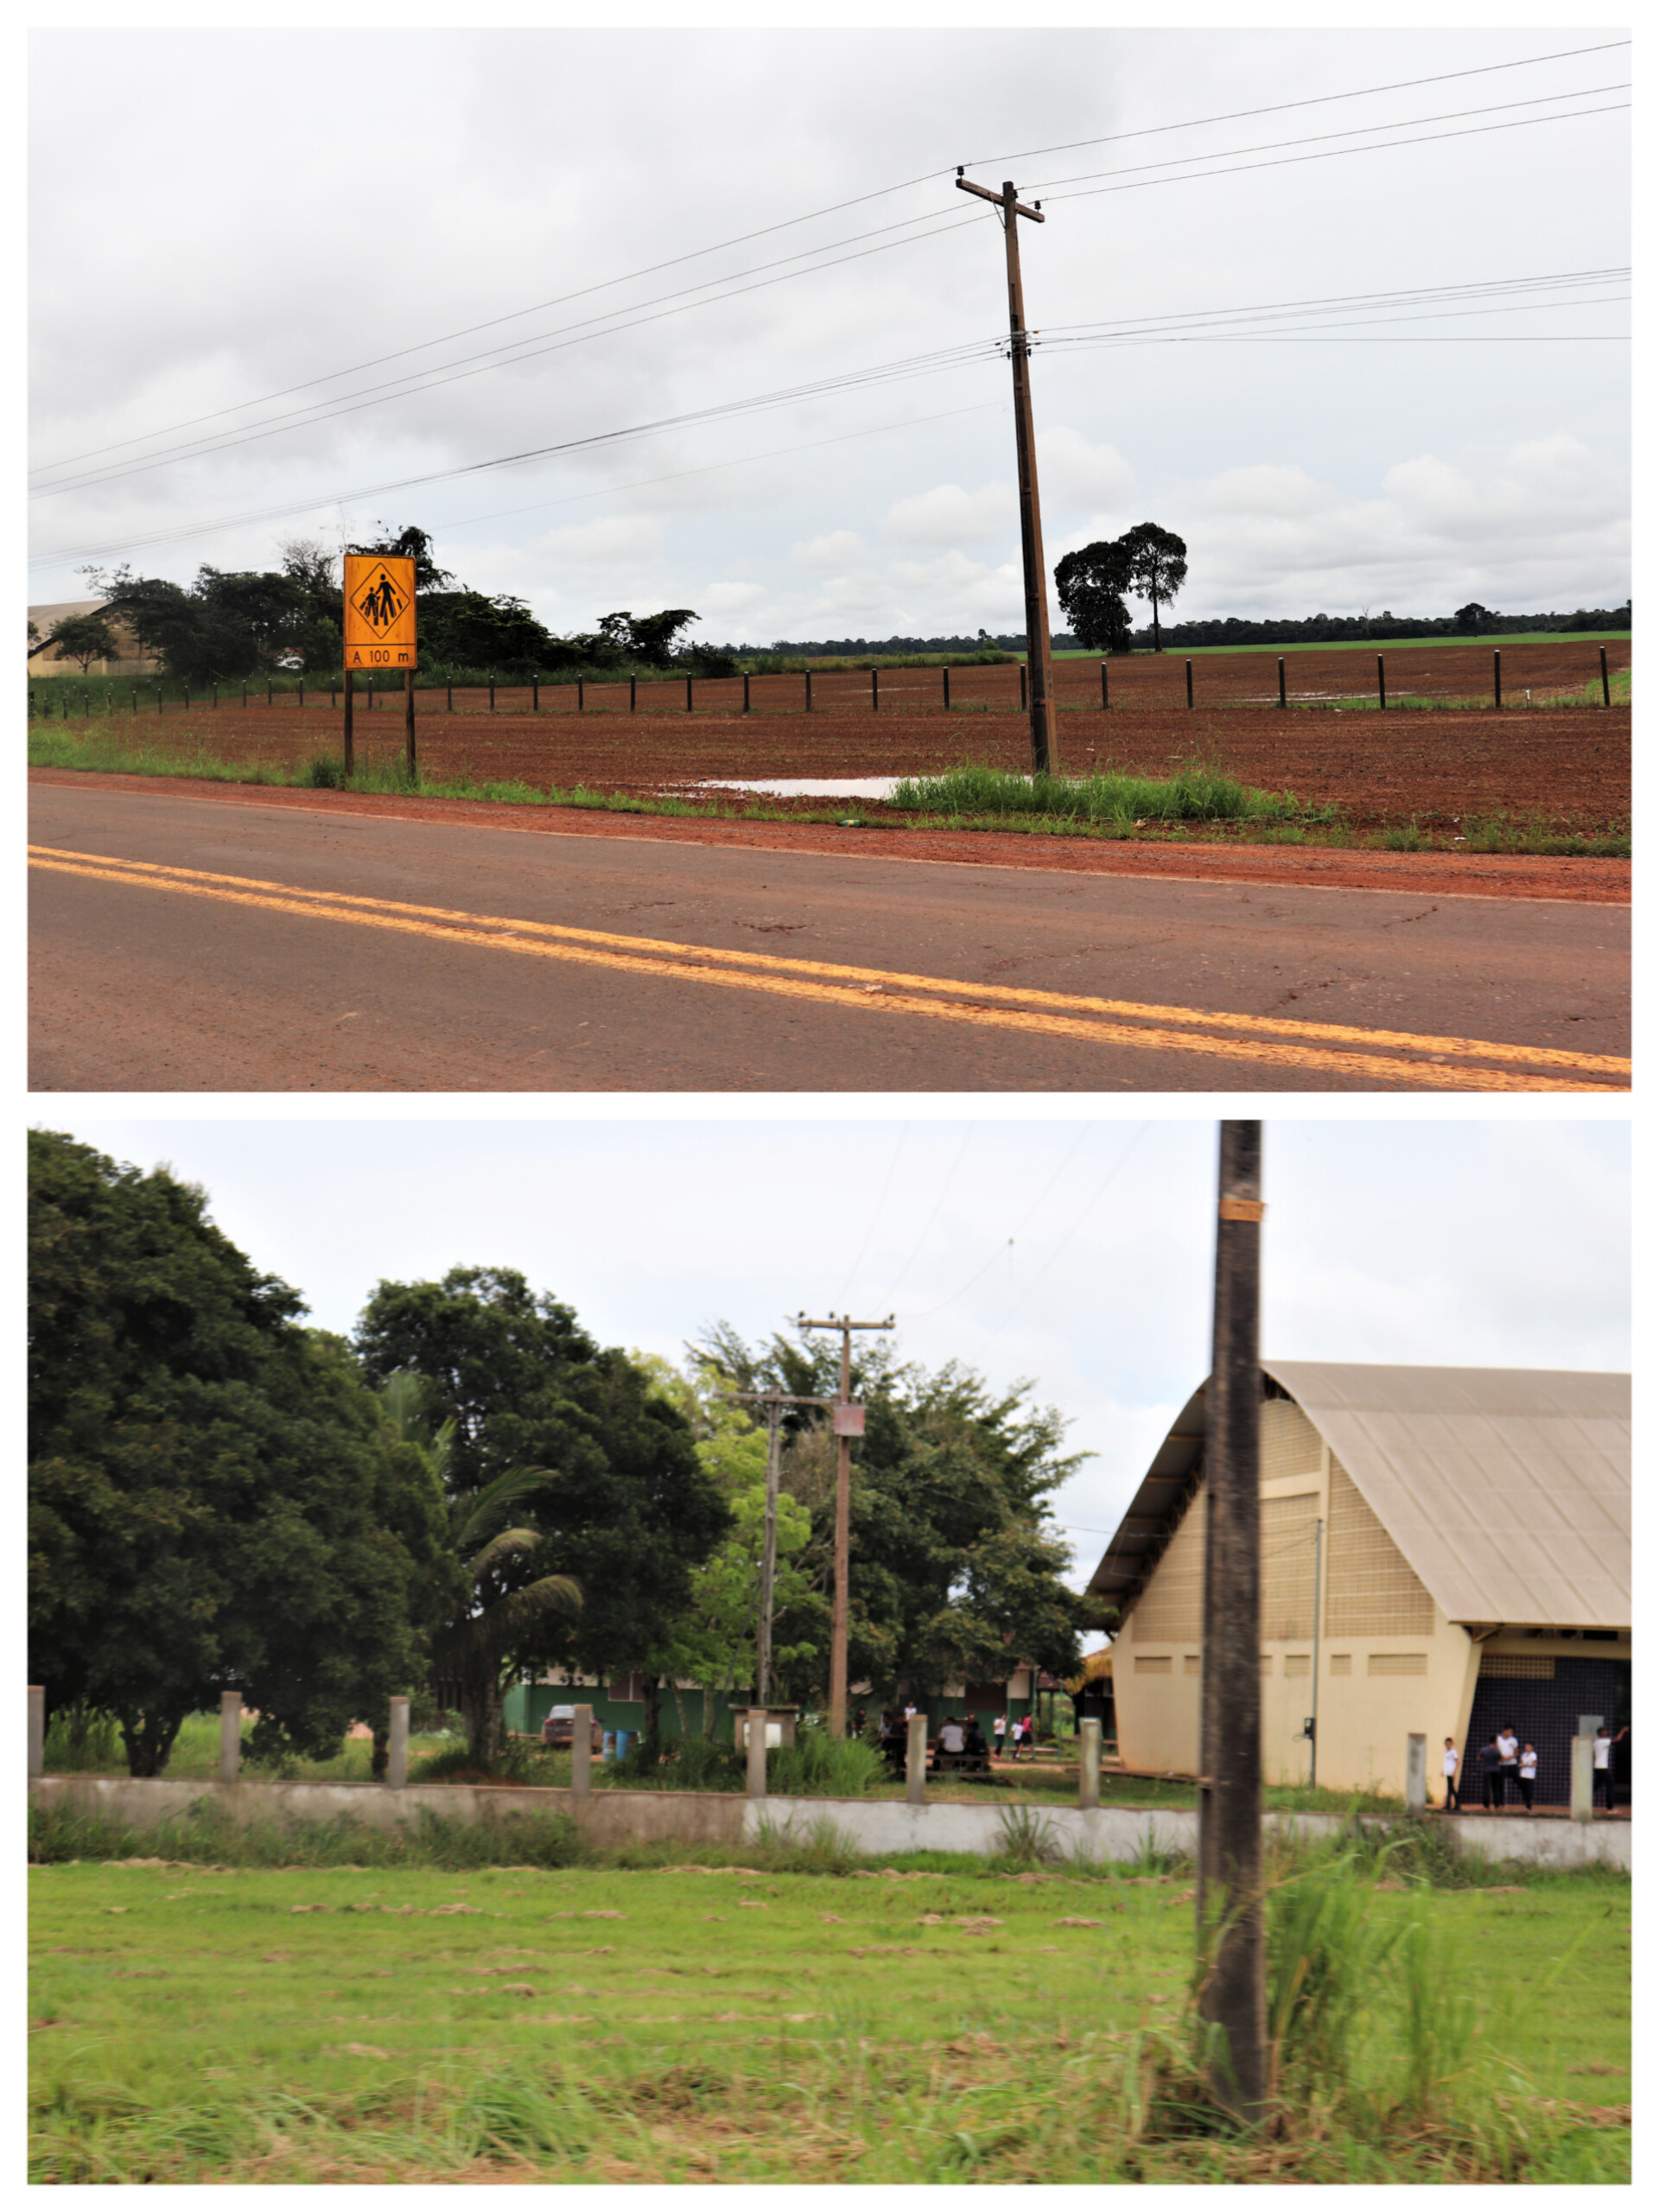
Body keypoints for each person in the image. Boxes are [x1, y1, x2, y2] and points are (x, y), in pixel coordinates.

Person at [1592, 1723, 1627, 1814]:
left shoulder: (1596, 1743)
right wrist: (1623, 1730)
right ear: (1602, 1733)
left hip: (1597, 1767)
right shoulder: (1604, 1741)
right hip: (1603, 1768)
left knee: (1595, 1787)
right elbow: (1617, 1739)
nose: (1607, 1732)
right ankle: (1610, 1808)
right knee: (1610, 1786)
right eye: (1605, 1731)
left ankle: (1583, 1798)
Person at [1477, 1735, 1503, 1811]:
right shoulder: (1497, 1750)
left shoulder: (1484, 1750)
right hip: (1496, 1770)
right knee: (1496, 1788)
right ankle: (1497, 1806)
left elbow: (1478, 1759)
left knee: (1486, 1788)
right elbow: (1501, 1760)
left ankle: (1486, 1806)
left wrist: (1484, 1760)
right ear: (1495, 1742)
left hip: (1487, 1770)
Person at [1495, 1724, 1519, 1809]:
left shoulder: (1514, 1740)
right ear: (1505, 1731)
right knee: (1499, 1784)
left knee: (1519, 1780)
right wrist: (1501, 1757)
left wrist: (1509, 1757)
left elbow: (1516, 1753)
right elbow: (1496, 1749)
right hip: (1501, 1764)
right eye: (1510, 1731)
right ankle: (1500, 1804)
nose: (1511, 1733)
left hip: (1511, 1764)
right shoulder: (1498, 1739)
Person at [1441, 1737, 1461, 1814]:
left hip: (1451, 1773)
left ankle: (1456, 1804)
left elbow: (1457, 1762)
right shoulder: (1446, 1752)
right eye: (1446, 1744)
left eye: (1449, 1744)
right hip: (1448, 1772)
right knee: (1450, 1789)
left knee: (1451, 1788)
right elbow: (1447, 1763)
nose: (1447, 1745)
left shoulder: (1453, 1752)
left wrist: (1454, 1772)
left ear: (1451, 1744)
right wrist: (1443, 1770)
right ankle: (1449, 1805)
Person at [1518, 1741, 1538, 1814]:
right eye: (1526, 1746)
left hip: (1530, 1776)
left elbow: (1535, 1764)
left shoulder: (1533, 1755)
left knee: (1529, 1791)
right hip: (1523, 1775)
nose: (1526, 1748)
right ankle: (1527, 1805)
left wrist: (1525, 1765)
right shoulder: (1523, 1755)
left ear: (1532, 1747)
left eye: (1528, 1746)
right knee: (1524, 1791)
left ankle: (1529, 1807)